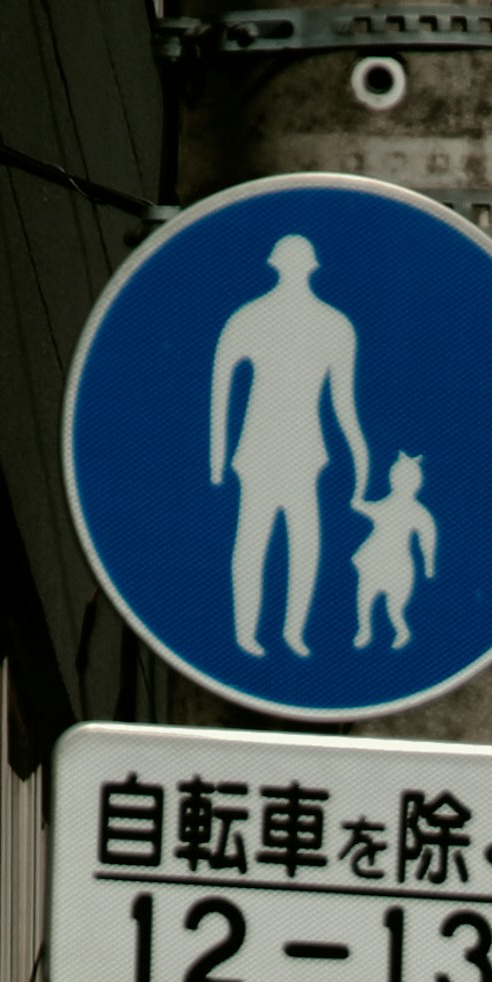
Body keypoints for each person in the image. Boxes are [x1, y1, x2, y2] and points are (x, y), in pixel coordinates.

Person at [208, 236, 372, 666]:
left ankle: (285, 634)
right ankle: (255, 634)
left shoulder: (328, 325)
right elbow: (222, 386)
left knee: (292, 543)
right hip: (267, 451)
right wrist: (217, 459)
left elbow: (343, 405)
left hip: (298, 453)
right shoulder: (277, 319)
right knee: (272, 542)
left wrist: (361, 461)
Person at [352, 454, 442, 654]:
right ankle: (364, 631)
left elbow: (428, 537)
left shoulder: (417, 511)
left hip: (399, 564)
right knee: (365, 597)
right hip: (374, 559)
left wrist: (429, 564)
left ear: (416, 482)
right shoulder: (386, 504)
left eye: (407, 479)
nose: (401, 482)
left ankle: (402, 631)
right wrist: (359, 503)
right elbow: (371, 509)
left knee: (395, 606)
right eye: (398, 477)